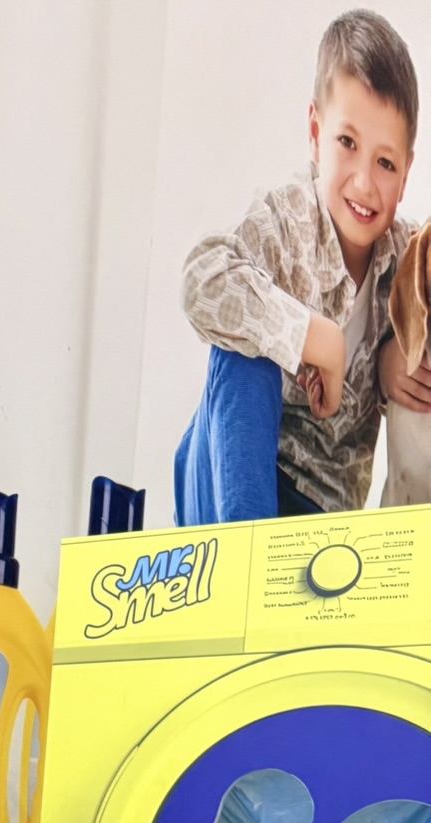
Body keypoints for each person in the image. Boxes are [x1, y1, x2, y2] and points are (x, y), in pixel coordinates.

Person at [175, 9, 419, 524]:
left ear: (406, 175)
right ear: (315, 133)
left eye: (386, 163)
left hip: (319, 516)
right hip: (231, 487)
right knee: (248, 350)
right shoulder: (287, 221)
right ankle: (246, 553)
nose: (364, 183)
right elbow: (200, 278)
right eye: (347, 143)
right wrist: (310, 335)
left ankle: (275, 561)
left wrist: (400, 353)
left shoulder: (405, 259)